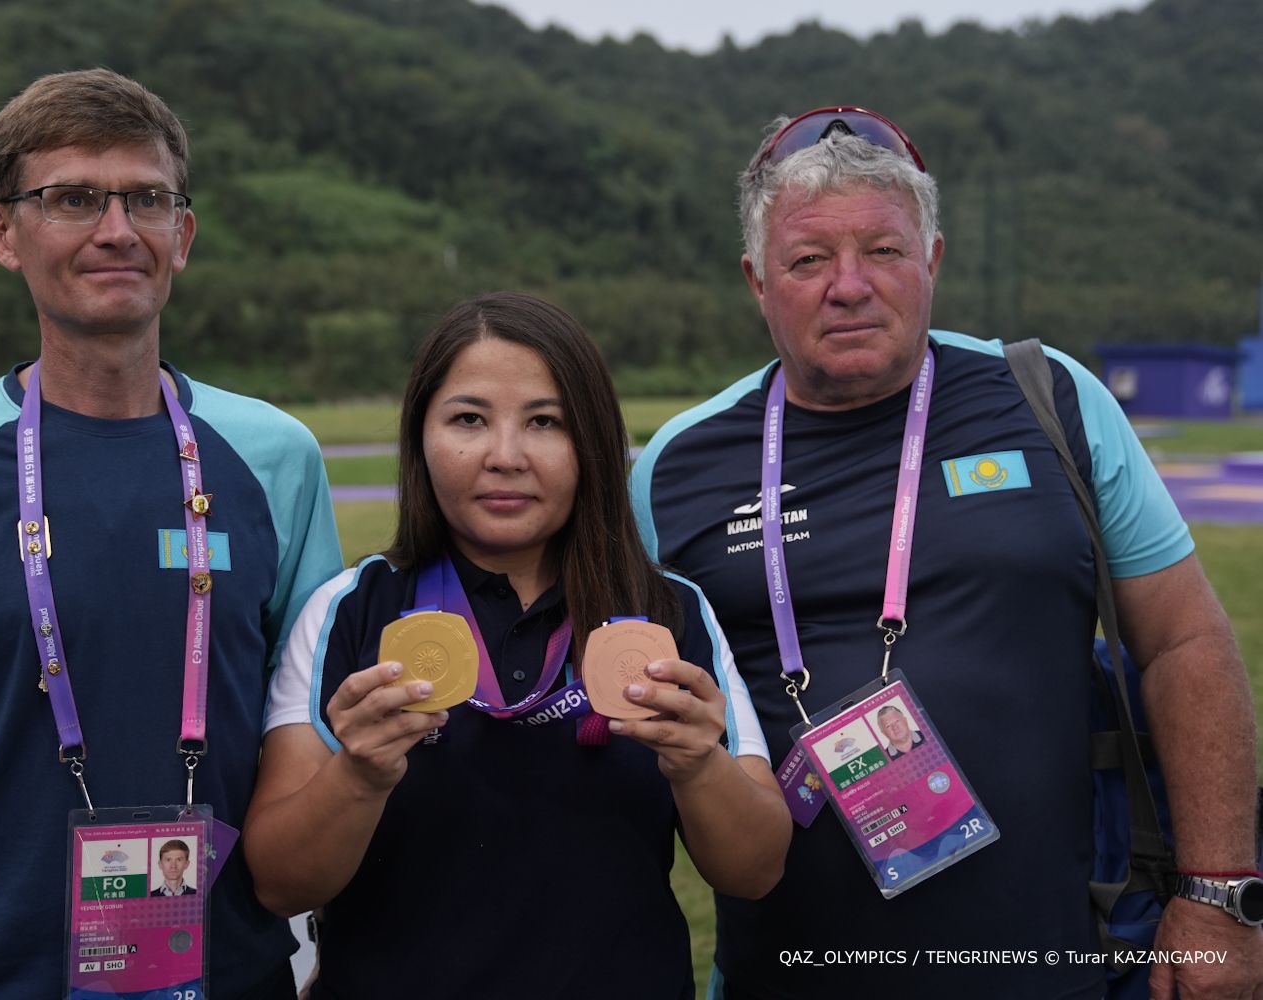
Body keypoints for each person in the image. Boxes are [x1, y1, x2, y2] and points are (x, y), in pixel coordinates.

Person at [631, 106, 1263, 997]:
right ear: (756, 281)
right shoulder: (673, 468)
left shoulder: (1052, 398)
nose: (849, 285)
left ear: (931, 259)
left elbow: (1184, 642)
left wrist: (1220, 898)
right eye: (808, 259)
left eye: (883, 251)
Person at [0, 69, 342, 1000]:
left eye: (148, 200)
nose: (117, 230)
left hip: (226, 977)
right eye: (73, 198)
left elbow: (322, 752)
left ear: (185, 235)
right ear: (3, 233)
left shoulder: (276, 458)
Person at [244, 292, 791, 999]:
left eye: (545, 422)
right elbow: (277, 883)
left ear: (592, 441)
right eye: (469, 419)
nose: (505, 456)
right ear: (420, 437)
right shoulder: (352, 610)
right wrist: (359, 777)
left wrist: (698, 768)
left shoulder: (670, 613)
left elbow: (756, 869)